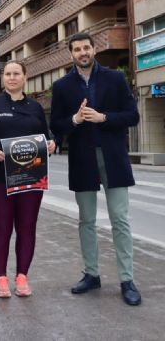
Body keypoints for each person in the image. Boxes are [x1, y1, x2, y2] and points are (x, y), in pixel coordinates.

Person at [50, 32, 141, 306]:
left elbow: (133, 115)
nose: (82, 53)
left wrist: (104, 117)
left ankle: (127, 279)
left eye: (86, 48)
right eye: (77, 49)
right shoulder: (62, 86)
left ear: (94, 50)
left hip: (113, 158)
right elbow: (56, 125)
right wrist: (75, 119)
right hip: (82, 159)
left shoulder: (115, 78)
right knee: (86, 220)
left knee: (120, 220)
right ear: (71, 54)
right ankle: (91, 274)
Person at [0, 61, 55, 298]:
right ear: (3, 79)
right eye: (7, 74)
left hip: (31, 177)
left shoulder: (35, 107)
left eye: (16, 73)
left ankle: (22, 277)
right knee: (2, 226)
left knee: (27, 227)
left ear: (25, 77)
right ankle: (1, 278)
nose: (11, 77)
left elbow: (45, 136)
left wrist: (51, 144)